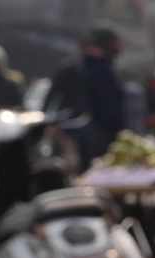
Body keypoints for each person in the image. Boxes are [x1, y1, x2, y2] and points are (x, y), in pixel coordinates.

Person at [45, 27, 127, 164]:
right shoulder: (103, 70)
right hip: (93, 138)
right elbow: (110, 109)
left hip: (76, 136)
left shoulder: (73, 67)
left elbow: (49, 102)